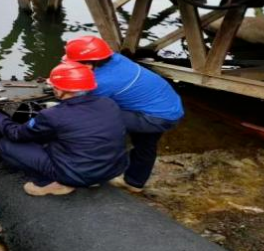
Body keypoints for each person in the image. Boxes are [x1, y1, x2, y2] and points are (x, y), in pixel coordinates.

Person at [0, 62, 128, 196]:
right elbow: (83, 122)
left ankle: (51, 183)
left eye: (55, 86)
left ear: (61, 90)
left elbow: (16, 134)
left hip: (76, 174)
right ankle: (94, 178)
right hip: (112, 169)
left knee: (4, 144)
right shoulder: (109, 103)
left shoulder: (53, 115)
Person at [63, 35, 184, 193]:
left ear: (88, 64)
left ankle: (92, 173)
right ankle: (135, 182)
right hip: (169, 106)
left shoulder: (102, 82)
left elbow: (83, 104)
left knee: (94, 123)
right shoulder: (116, 58)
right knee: (145, 144)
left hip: (156, 117)